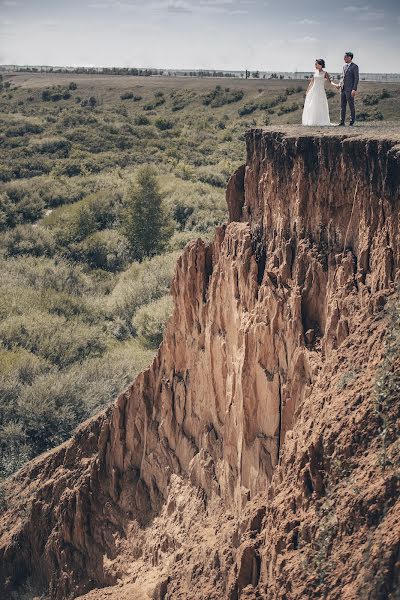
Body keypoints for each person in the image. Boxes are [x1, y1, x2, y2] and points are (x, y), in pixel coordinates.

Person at [302, 59, 337, 126]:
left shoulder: (325, 73)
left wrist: (336, 85)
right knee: (312, 105)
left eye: (316, 64)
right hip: (313, 91)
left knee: (320, 105)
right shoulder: (315, 72)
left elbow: (330, 82)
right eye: (315, 64)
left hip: (320, 91)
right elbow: (311, 83)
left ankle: (320, 121)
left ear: (321, 65)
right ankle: (312, 121)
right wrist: (307, 91)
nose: (315, 66)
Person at [336, 51, 359, 126]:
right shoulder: (344, 67)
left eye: (345, 57)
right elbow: (342, 78)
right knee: (342, 106)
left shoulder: (355, 66)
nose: (344, 58)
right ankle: (342, 122)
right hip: (342, 89)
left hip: (350, 90)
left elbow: (356, 79)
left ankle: (352, 122)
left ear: (349, 57)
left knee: (351, 105)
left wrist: (354, 89)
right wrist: (339, 84)